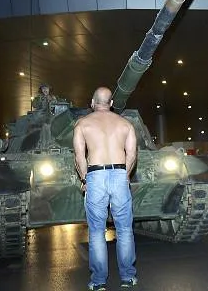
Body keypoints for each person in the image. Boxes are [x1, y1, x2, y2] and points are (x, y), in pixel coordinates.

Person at [73, 87, 138, 290]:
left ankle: (99, 281)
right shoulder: (126, 124)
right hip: (119, 174)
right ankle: (128, 278)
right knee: (125, 230)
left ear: (92, 103)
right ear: (111, 103)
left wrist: (85, 179)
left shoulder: (83, 124)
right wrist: (125, 175)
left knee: (96, 232)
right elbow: (132, 155)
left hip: (95, 176)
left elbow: (79, 157)